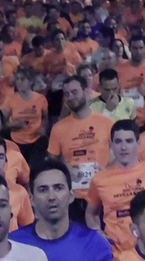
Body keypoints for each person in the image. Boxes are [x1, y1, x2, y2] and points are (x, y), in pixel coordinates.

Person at [86, 120, 145, 254]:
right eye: (118, 142)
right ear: (111, 145)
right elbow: (91, 213)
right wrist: (96, 232)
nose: (123, 147)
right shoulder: (99, 179)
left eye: (129, 141)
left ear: (138, 143)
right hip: (116, 253)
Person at [48, 74, 114, 211]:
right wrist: (64, 170)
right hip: (73, 197)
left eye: (74, 92)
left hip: (103, 193)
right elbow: (51, 163)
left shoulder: (107, 123)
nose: (70, 97)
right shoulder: (58, 128)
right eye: (66, 94)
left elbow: (121, 157)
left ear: (86, 92)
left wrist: (107, 171)